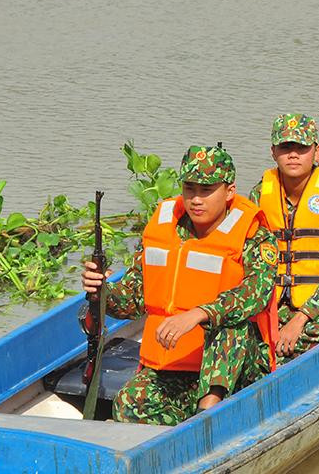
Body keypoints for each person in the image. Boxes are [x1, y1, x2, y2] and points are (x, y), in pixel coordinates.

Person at [80, 146, 278, 426]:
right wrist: (101, 291)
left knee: (230, 321)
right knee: (127, 405)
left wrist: (199, 313)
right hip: (176, 363)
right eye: (189, 189)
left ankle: (210, 409)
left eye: (206, 190)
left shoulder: (254, 235)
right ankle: (186, 425)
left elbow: (256, 294)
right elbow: (133, 299)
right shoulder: (164, 230)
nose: (196, 199)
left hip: (234, 367)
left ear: (230, 191)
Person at [248, 113, 319, 362]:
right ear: (273, 151)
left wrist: (301, 318)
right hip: (271, 306)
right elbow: (248, 264)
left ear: (316, 151)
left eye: (301, 148)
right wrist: (271, 320)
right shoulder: (259, 195)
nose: (293, 155)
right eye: (285, 147)